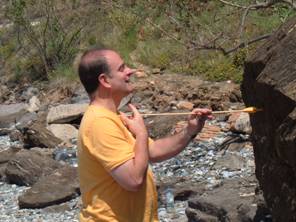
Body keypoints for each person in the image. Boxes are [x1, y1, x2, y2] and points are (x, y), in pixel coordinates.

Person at [77, 48, 213, 222]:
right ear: (104, 80)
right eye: (121, 68)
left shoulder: (114, 117)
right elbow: (133, 180)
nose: (130, 71)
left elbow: (153, 150)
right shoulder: (99, 123)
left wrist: (189, 131)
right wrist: (141, 133)